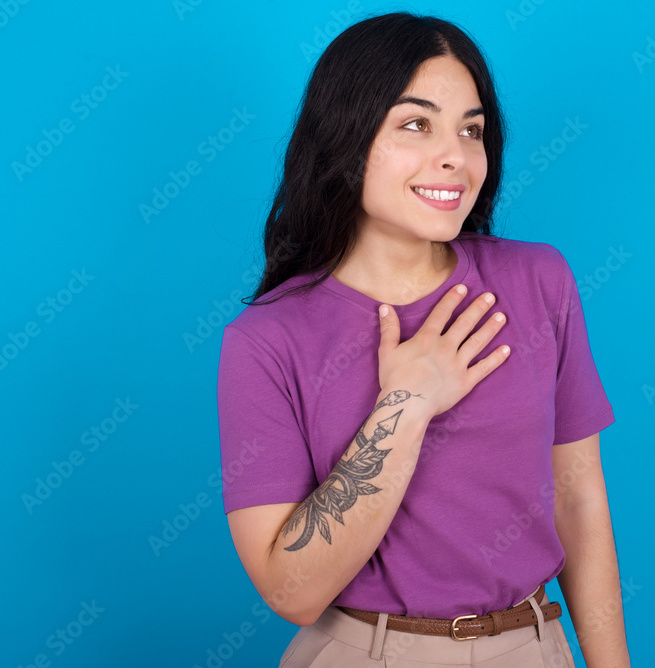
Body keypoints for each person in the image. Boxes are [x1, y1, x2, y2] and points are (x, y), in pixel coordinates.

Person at [216, 11, 630, 667]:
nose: (455, 157)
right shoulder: (267, 340)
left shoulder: (537, 280)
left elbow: (579, 499)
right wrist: (405, 403)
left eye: (472, 129)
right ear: (346, 138)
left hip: (531, 646)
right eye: (416, 124)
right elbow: (291, 592)